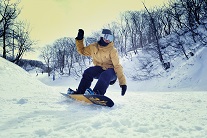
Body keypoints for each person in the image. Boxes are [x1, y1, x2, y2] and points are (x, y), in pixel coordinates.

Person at [68, 29, 127, 96]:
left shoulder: (112, 50)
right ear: (102, 36)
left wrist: (123, 83)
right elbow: (82, 51)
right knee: (88, 72)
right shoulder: (93, 47)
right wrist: (79, 39)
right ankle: (80, 92)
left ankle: (97, 93)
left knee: (105, 74)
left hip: (111, 72)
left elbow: (117, 66)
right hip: (100, 69)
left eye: (110, 38)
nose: (108, 40)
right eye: (106, 37)